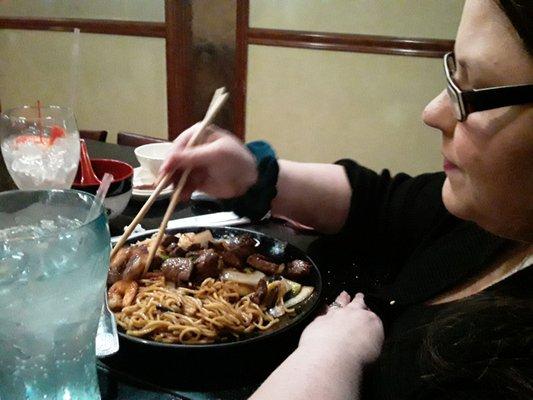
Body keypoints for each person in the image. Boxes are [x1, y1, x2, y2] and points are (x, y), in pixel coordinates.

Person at [158, 0, 533, 398]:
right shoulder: (497, 214)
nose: (433, 111)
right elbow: (380, 204)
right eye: (453, 74)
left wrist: (331, 354)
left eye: (476, 91)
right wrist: (254, 176)